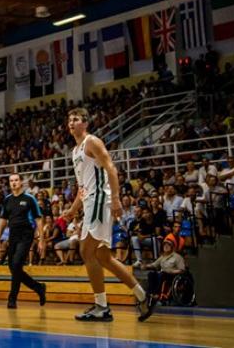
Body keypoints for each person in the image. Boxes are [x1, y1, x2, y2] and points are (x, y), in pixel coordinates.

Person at [64, 107, 154, 322]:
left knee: (86, 251)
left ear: (85, 123)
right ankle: (143, 295)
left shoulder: (92, 142)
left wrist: (115, 198)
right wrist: (73, 209)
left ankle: (102, 306)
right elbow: (82, 187)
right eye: (69, 120)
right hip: (89, 203)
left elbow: (111, 169)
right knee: (104, 257)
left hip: (99, 201)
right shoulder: (75, 152)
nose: (71, 123)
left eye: (76, 119)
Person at [0, 174, 47, 308]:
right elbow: (3, 220)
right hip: (13, 235)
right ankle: (38, 287)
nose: (14, 183)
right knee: (13, 267)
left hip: (26, 234)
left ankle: (12, 299)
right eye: (11, 181)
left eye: (16, 180)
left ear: (21, 182)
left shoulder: (29, 199)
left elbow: (38, 219)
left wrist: (41, 240)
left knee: (17, 264)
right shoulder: (7, 200)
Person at [142, 237, 186, 303]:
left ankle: (157, 293)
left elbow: (182, 270)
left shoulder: (177, 257)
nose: (166, 246)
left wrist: (172, 271)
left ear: (172, 247)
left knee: (162, 275)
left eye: (168, 245)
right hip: (163, 274)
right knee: (151, 274)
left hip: (172, 275)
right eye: (165, 245)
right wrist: (145, 266)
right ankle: (151, 293)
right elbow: (154, 265)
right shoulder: (162, 257)